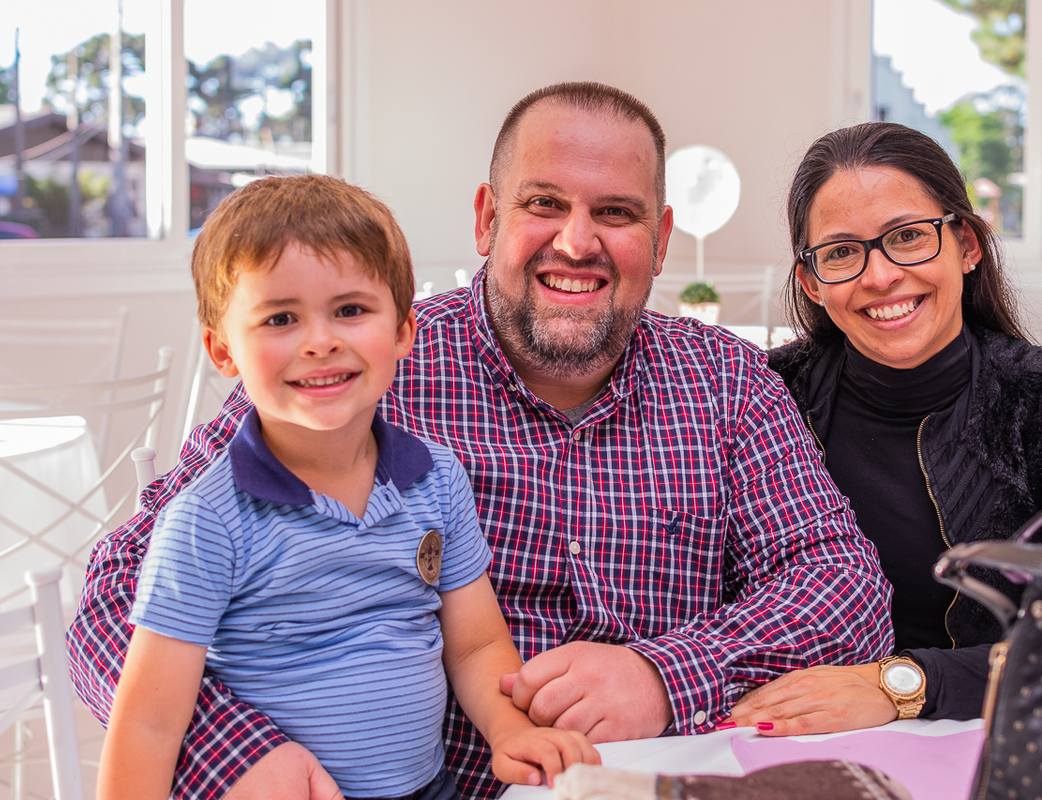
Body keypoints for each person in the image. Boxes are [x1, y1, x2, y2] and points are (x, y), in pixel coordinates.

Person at [70, 83, 894, 800]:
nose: (577, 242)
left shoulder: (728, 381)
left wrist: (665, 676)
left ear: (662, 237)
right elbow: (112, 599)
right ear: (486, 218)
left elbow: (845, 589)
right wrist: (236, 753)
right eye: (544, 204)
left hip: (668, 779)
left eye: (616, 213)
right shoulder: (363, 371)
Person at [97, 175, 599, 800]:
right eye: (281, 318)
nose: (321, 341)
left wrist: (509, 730)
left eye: (350, 311)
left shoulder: (437, 480)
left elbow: (475, 645)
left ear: (403, 331)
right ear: (222, 350)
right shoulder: (208, 521)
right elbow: (147, 724)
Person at [727, 121, 1042, 736]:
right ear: (811, 283)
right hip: (775, 734)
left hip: (980, 735)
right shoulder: (763, 394)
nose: (879, 276)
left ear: (967, 245)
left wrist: (903, 684)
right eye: (841, 252)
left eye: (908, 236)